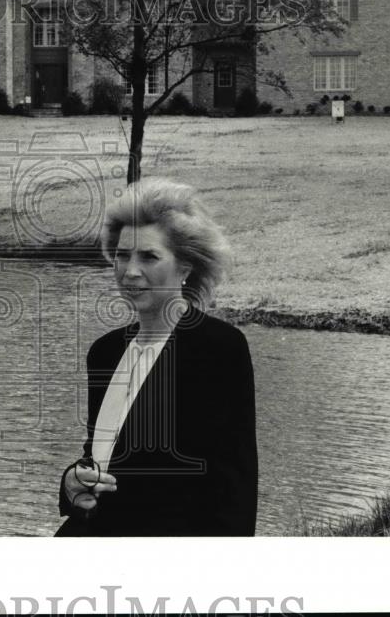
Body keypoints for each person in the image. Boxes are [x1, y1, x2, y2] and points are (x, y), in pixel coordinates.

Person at [55, 177, 257, 536]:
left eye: (149, 256)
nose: (130, 271)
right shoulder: (104, 352)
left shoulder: (219, 349)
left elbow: (234, 489)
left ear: (185, 267)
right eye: (121, 255)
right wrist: (73, 483)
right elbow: (101, 456)